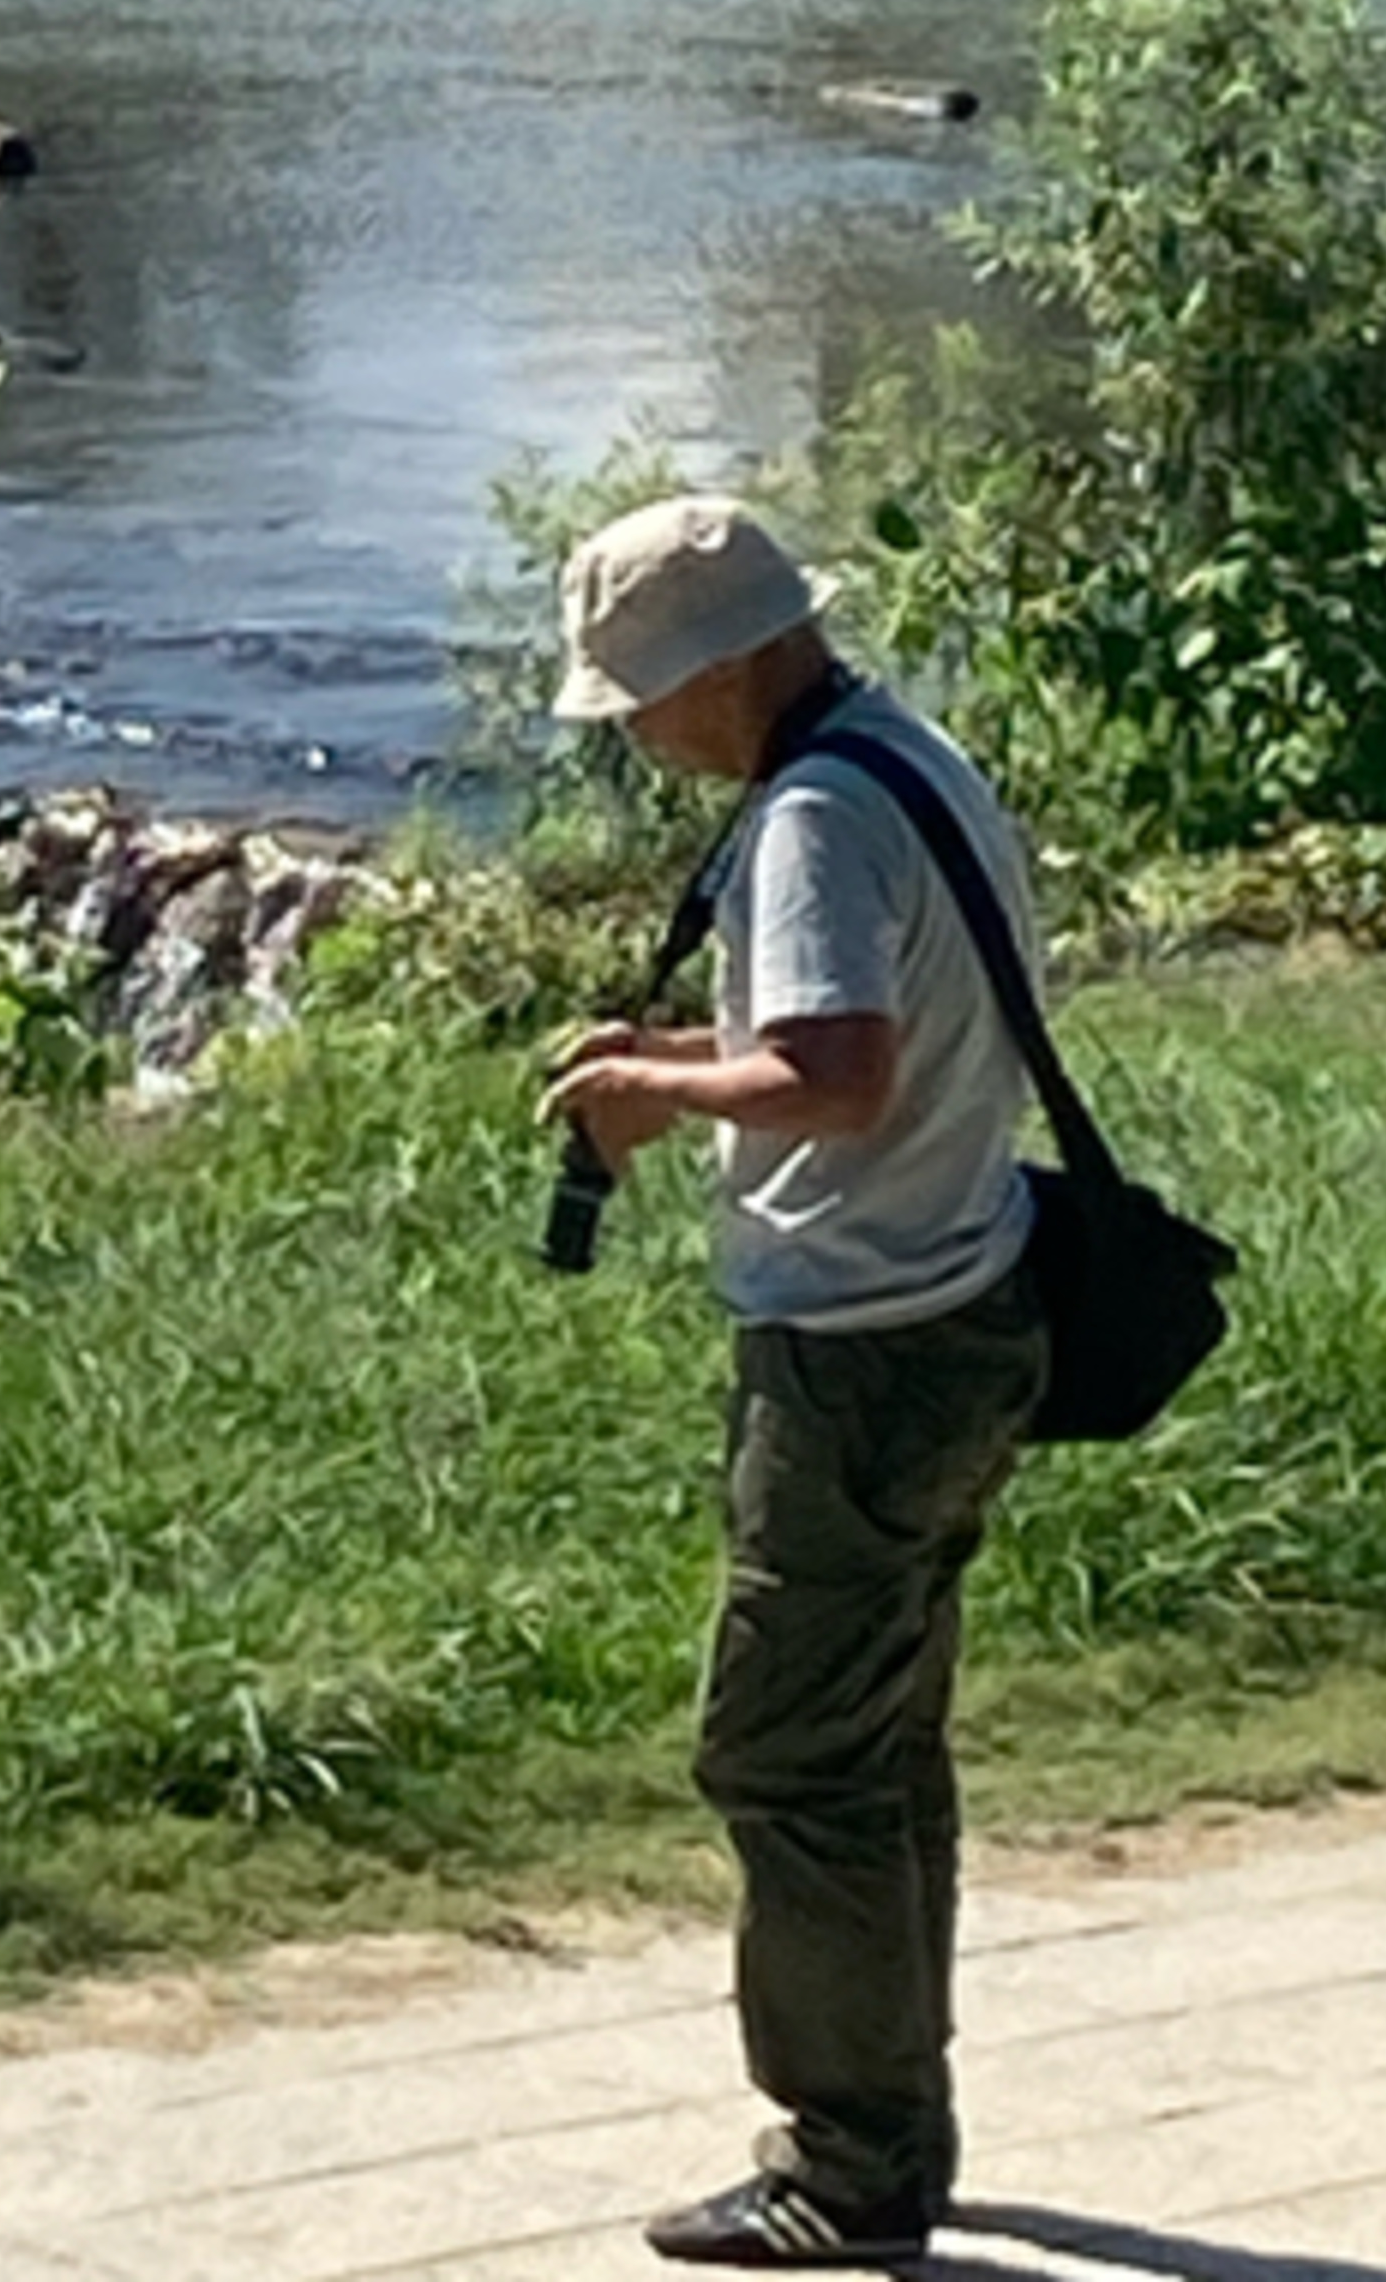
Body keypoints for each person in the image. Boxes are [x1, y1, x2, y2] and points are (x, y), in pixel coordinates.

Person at [537, 492, 1051, 2273]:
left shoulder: (814, 817)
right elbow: (866, 1033)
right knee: (880, 1740)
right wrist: (687, 1050)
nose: (637, 735)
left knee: (782, 1756)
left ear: (727, 667)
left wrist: (653, 1098)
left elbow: (836, 1081)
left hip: (861, 1347)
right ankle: (896, 2121)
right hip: (966, 1299)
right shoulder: (905, 753)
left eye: (642, 699)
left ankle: (847, 2170)